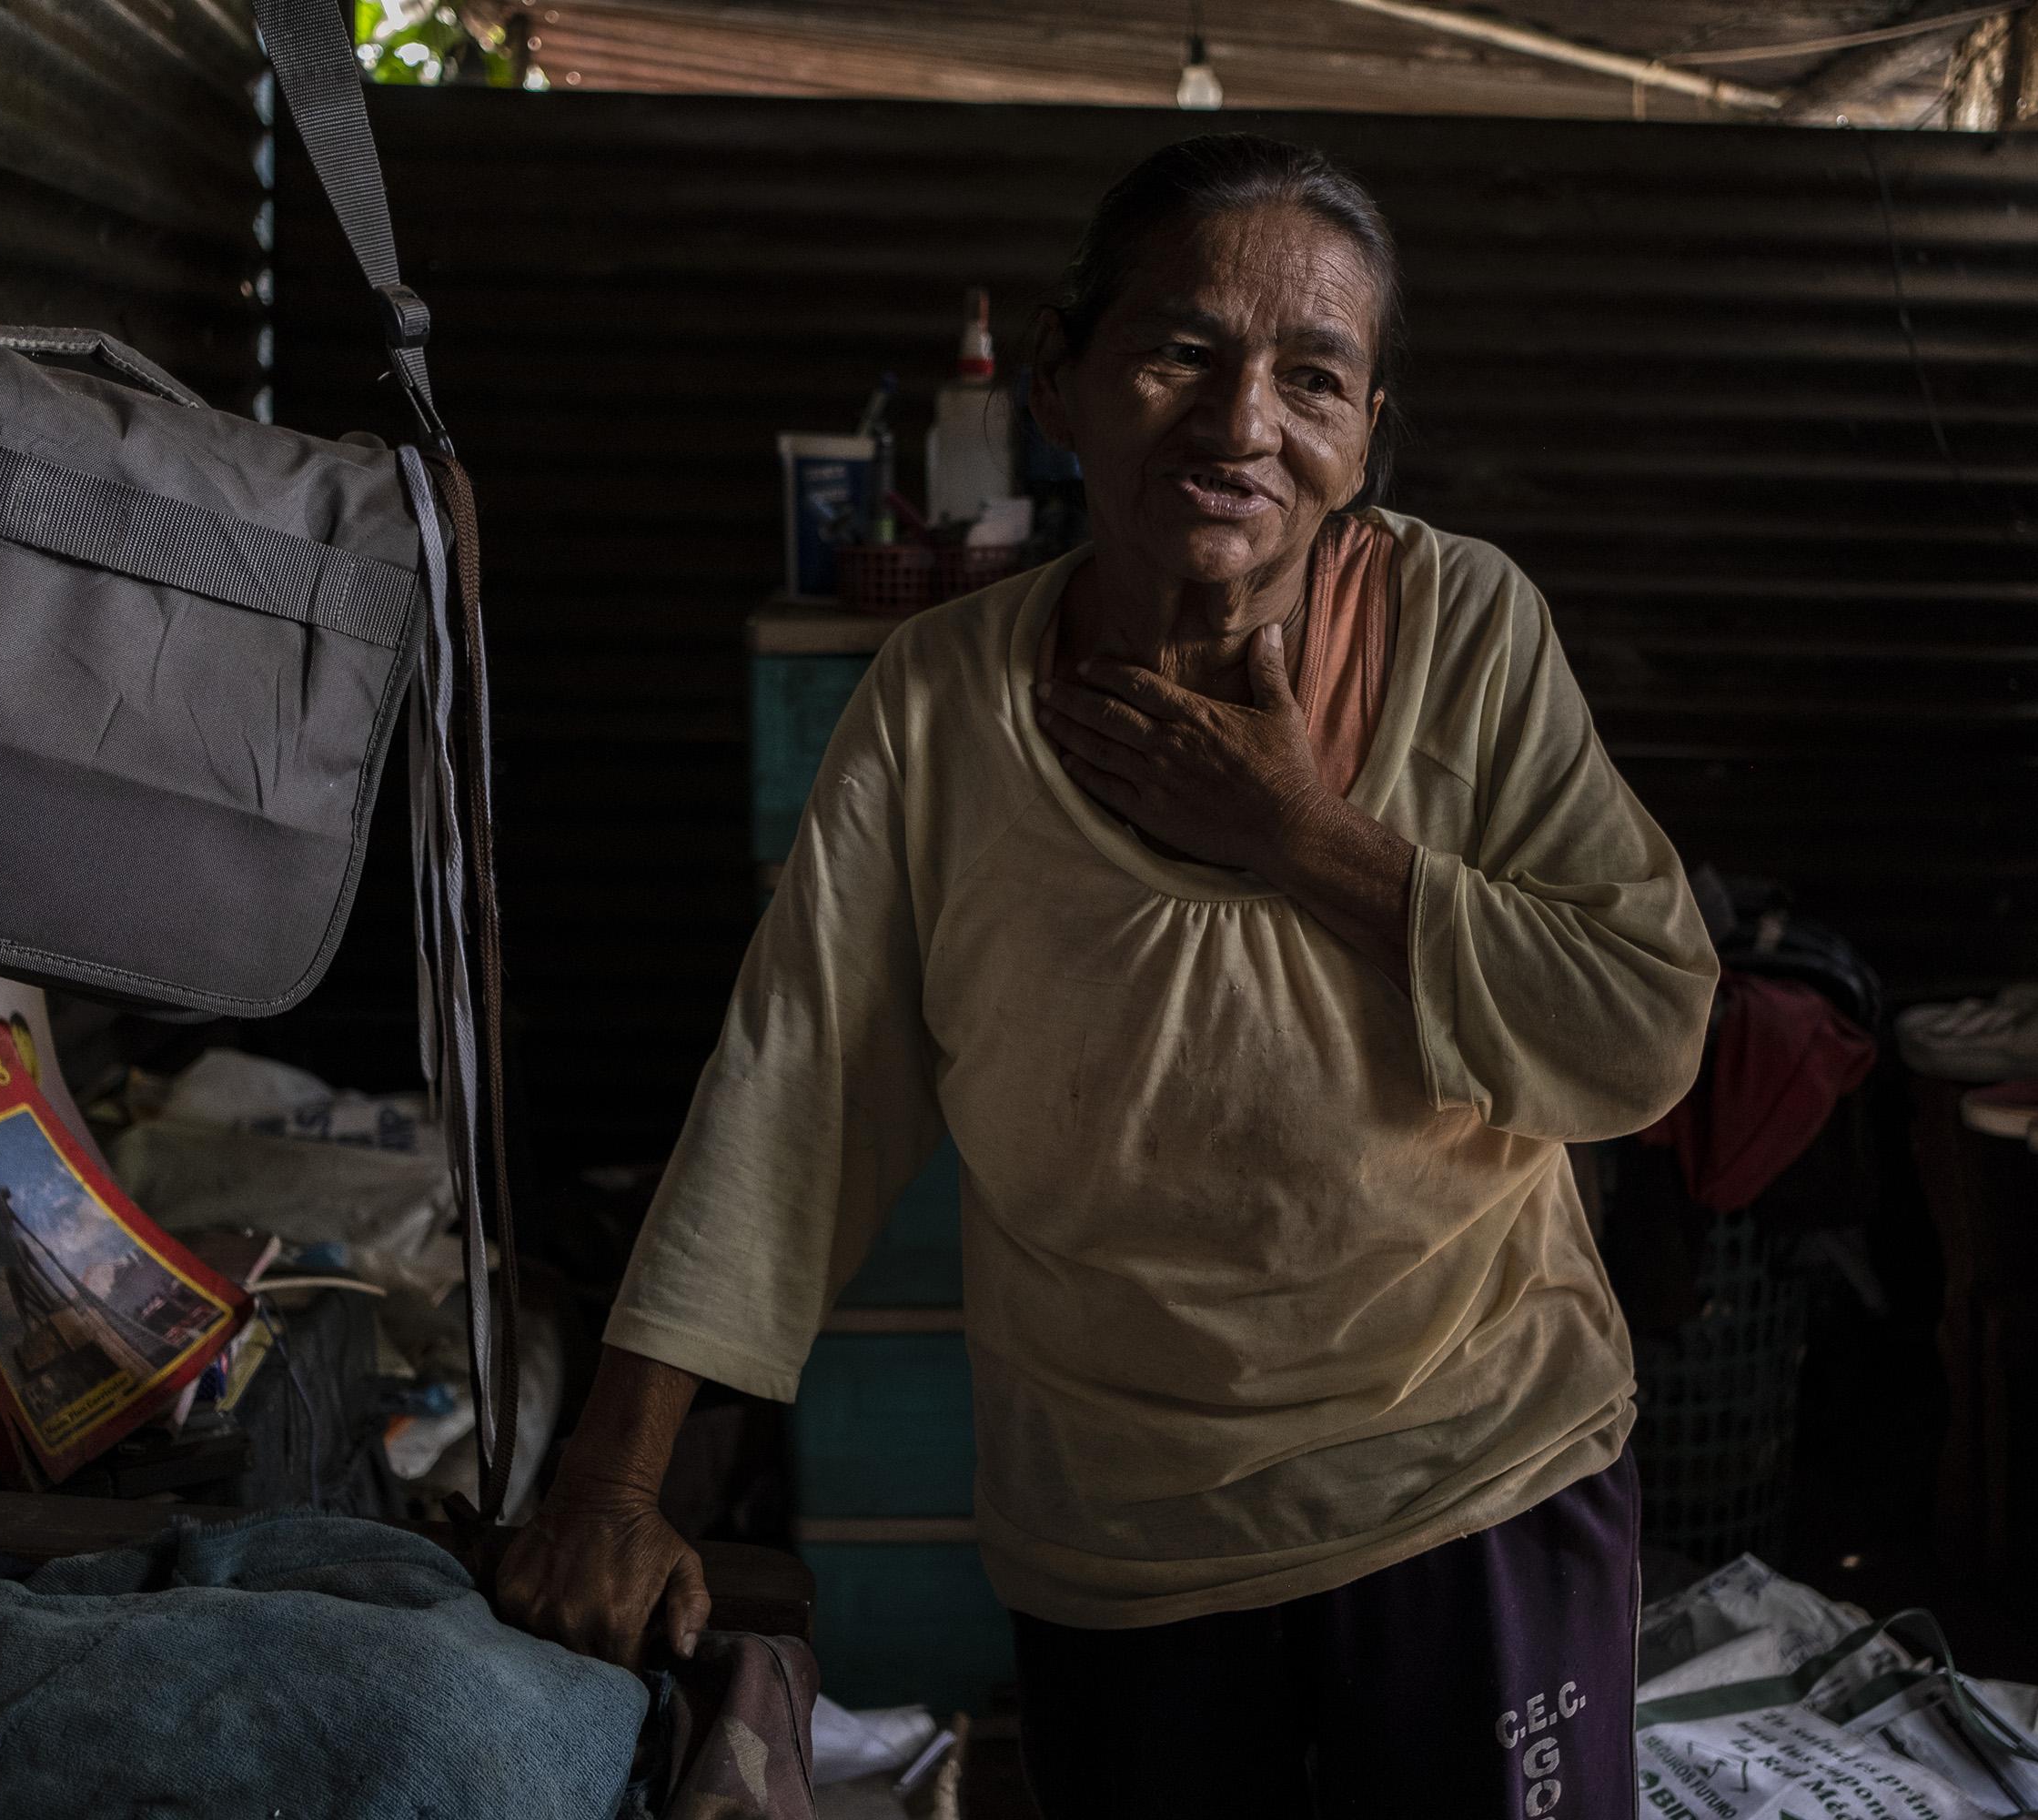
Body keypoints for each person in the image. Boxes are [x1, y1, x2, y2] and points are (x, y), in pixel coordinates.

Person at [498, 134, 1717, 1818]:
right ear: (1062, 382)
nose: (1241, 427)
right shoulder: (939, 707)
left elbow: (1643, 1024)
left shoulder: (1465, 630)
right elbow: (791, 1094)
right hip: (1123, 1531)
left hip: (1469, 1470)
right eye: (1182, 352)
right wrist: (613, 1481)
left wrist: (1302, 832)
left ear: (1366, 440)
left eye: (1313, 379)